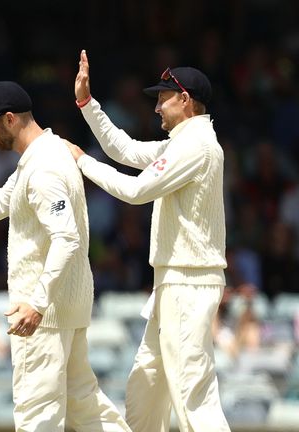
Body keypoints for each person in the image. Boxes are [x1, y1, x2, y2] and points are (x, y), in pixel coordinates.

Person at [0, 81, 130, 431]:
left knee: (37, 417)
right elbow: (0, 206)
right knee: (87, 409)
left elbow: (66, 238)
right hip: (63, 310)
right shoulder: (43, 155)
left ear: (10, 119)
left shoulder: (44, 166)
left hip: (43, 316)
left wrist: (36, 303)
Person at [69, 49, 230, 431]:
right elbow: (124, 149)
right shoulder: (182, 142)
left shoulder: (197, 145)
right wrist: (87, 103)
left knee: (194, 395)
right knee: (145, 389)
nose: (157, 107)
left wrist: (81, 161)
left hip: (188, 281)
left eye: (162, 97)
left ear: (185, 100)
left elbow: (137, 191)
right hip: (173, 281)